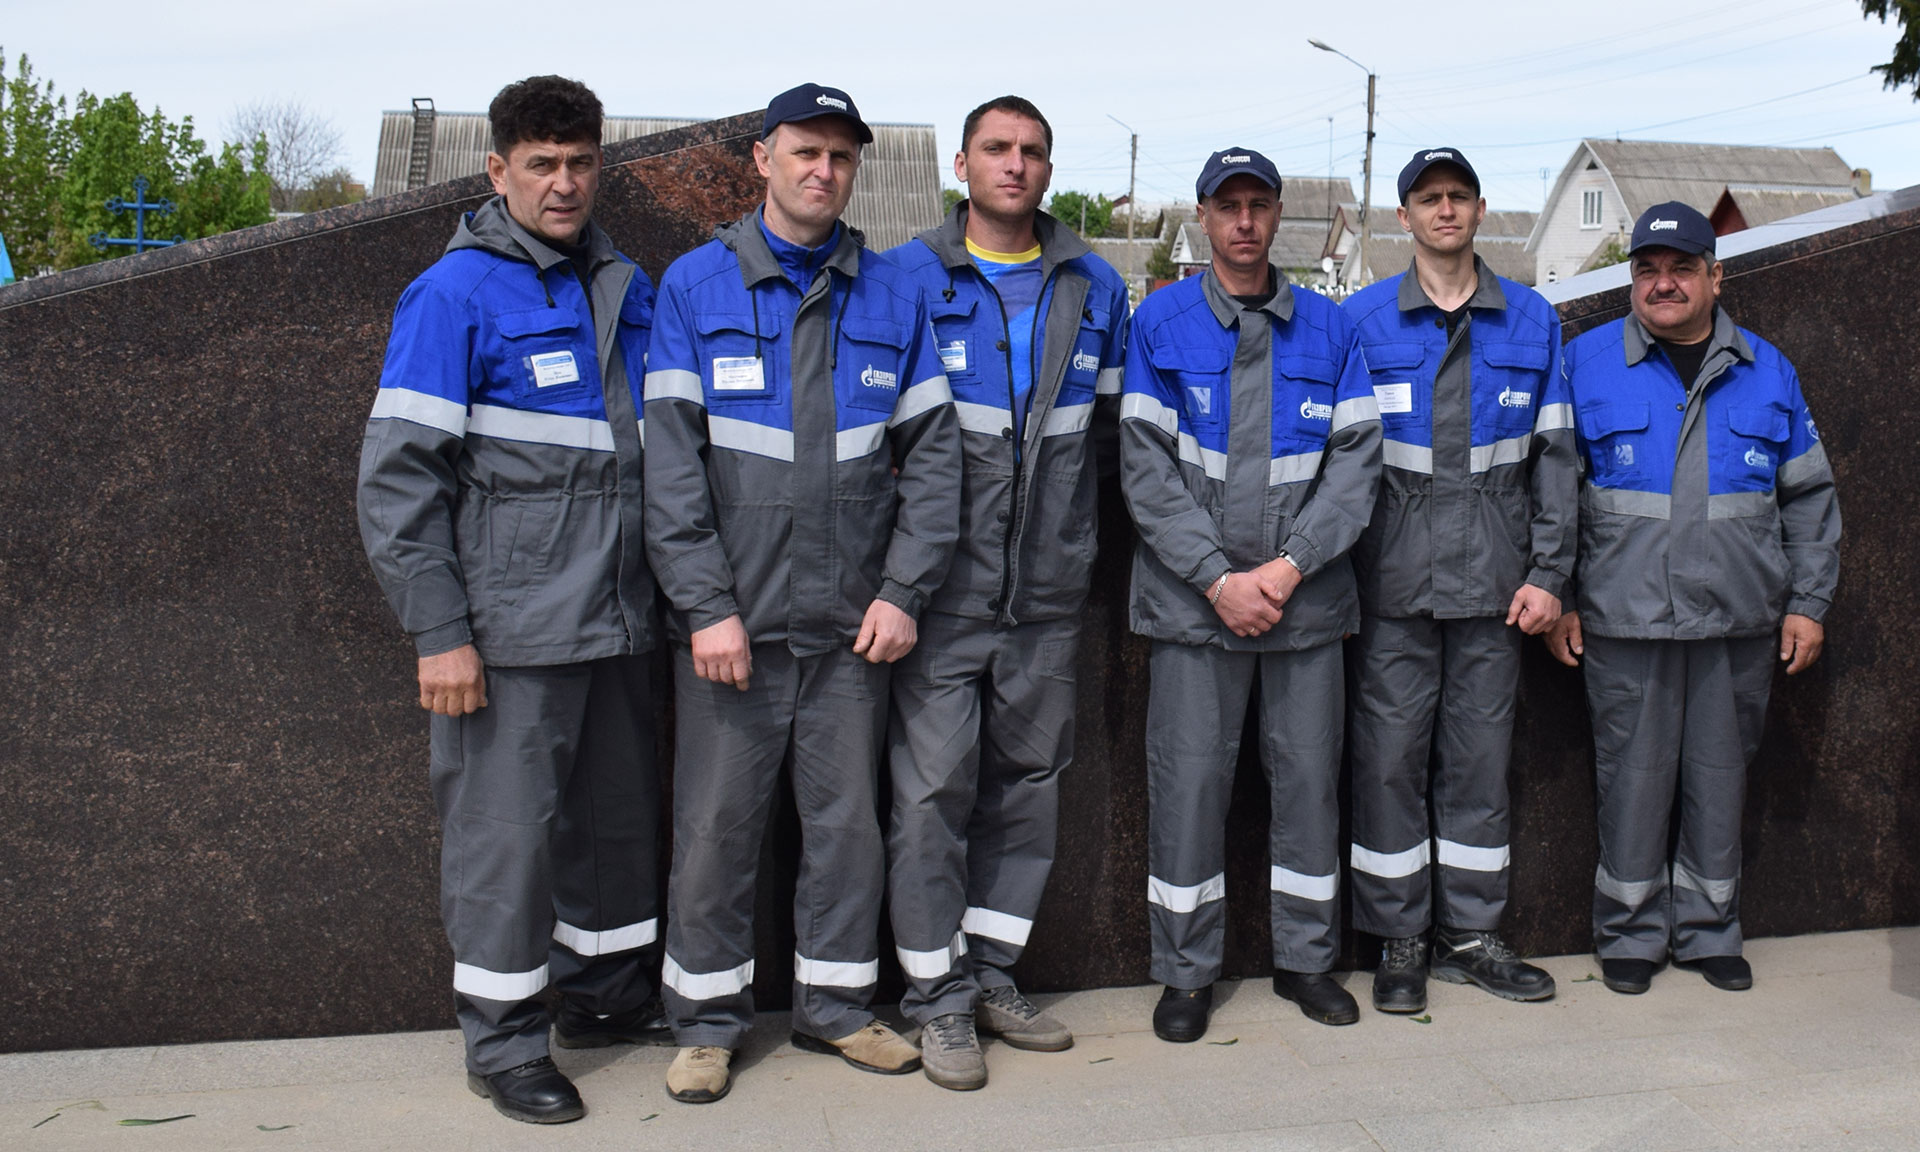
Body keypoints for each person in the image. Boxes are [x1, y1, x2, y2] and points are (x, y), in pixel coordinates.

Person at [643, 82, 963, 1103]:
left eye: (841, 156)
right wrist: (706, 607)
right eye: (805, 152)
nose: (823, 171)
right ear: (763, 159)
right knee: (714, 833)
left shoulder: (893, 295)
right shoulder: (696, 287)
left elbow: (938, 461)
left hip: (852, 629)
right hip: (733, 633)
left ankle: (835, 1008)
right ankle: (705, 1026)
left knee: (845, 832)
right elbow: (670, 469)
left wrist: (904, 591)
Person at [356, 75, 664, 1125]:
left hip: (620, 619)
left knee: (612, 832)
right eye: (541, 165)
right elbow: (398, 481)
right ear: (498, 171)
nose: (563, 183)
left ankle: (608, 1001)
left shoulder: (624, 283)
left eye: (580, 163)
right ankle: (503, 1044)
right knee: (507, 846)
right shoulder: (452, 295)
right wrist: (439, 633)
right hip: (511, 632)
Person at [881, 95, 1129, 1091]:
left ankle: (990, 974)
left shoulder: (1095, 284)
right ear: (963, 165)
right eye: (996, 148)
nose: (1014, 164)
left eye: (1031, 151)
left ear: (1048, 169)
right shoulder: (904, 277)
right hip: (941, 593)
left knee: (1028, 791)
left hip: (1048, 593)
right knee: (930, 797)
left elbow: (1107, 440)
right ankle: (935, 1000)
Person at [1548, 201, 1841, 996]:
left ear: (1716, 276)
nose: (1663, 283)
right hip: (1624, 618)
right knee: (1632, 782)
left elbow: (1810, 499)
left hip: (1737, 620)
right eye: (1648, 269)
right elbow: (1552, 496)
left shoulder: (1767, 369)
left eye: (1682, 269)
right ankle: (1630, 934)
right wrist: (1558, 592)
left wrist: (1808, 603)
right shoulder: (1583, 364)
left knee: (1719, 780)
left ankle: (1711, 931)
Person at [1120, 148, 1380, 1041]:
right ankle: (1185, 973)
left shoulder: (1332, 330)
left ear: (1278, 216)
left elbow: (1357, 467)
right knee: (1189, 790)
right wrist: (1217, 578)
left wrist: (1289, 566)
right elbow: (1145, 472)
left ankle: (1307, 962)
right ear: (1202, 215)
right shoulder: (1158, 325)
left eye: (1259, 205)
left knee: (1308, 788)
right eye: (1227, 205)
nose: (1243, 221)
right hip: (1195, 609)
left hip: (1303, 605)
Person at [1340, 148, 1575, 1014]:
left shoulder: (1533, 321)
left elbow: (1557, 458)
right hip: (1390, 587)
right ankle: (1399, 937)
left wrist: (1551, 573)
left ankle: (1471, 936)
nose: (1445, 210)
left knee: (1479, 765)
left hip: (1497, 589)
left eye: (1459, 196)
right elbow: (1339, 463)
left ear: (1478, 210)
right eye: (1429, 198)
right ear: (1403, 217)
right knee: (1389, 764)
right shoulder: (1361, 320)